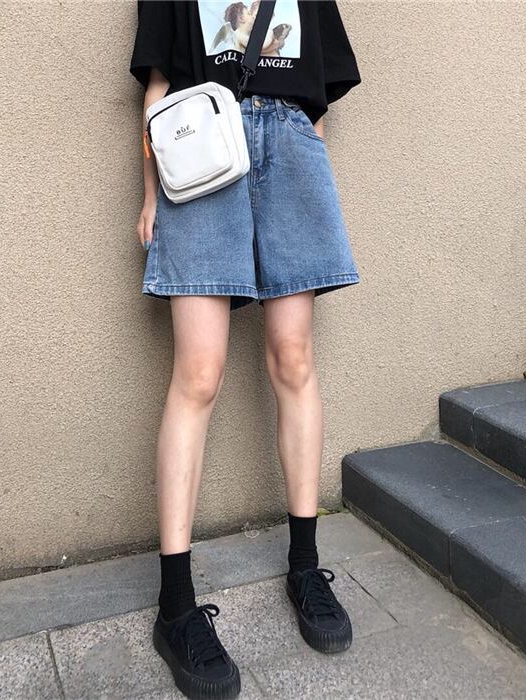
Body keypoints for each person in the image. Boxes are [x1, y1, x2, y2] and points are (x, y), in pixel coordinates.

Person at [129, 1, 362, 697]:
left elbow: (317, 96)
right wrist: (150, 194)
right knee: (199, 372)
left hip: (290, 147)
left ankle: (305, 567)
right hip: (201, 143)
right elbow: (157, 87)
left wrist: (304, 169)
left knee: (294, 358)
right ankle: (175, 606)